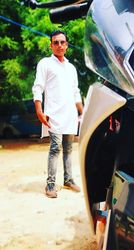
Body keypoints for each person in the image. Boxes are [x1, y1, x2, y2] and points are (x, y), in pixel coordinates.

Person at [32, 30, 83, 198]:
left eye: (62, 42)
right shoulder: (45, 63)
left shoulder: (72, 68)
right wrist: (39, 109)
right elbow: (38, 87)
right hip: (53, 114)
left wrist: (82, 113)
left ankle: (68, 179)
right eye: (56, 42)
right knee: (56, 147)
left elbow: (76, 92)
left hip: (70, 115)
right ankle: (50, 184)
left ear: (67, 45)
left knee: (68, 148)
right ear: (51, 45)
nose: (59, 45)